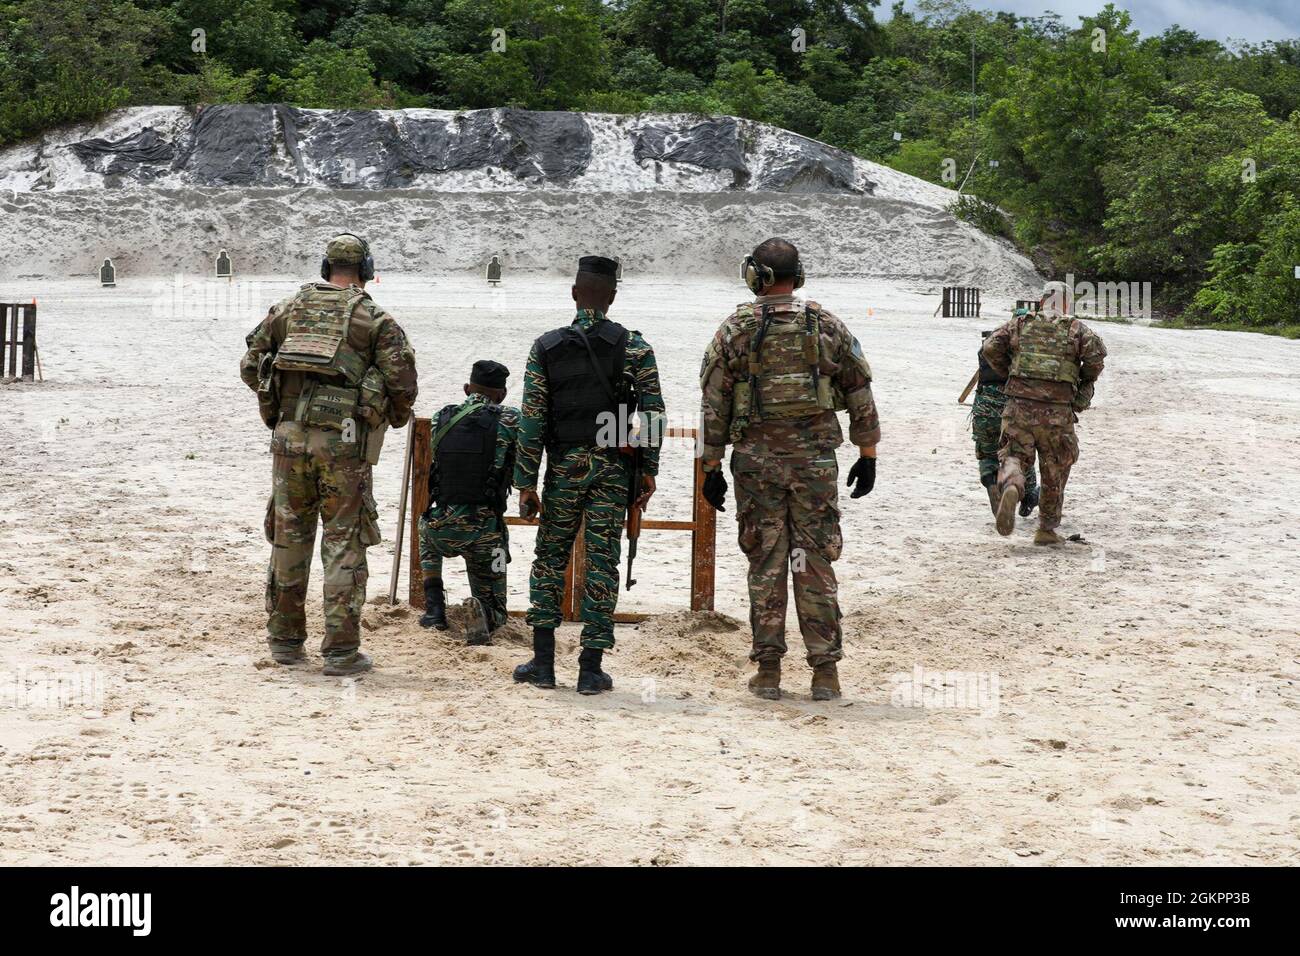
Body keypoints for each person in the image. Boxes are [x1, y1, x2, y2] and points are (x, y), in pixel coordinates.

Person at [698, 237, 880, 701]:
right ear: (797, 276)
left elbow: (714, 401)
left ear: (755, 277)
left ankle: (770, 671)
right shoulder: (827, 325)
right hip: (815, 463)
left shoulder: (735, 329)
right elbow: (859, 388)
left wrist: (711, 464)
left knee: (767, 560)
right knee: (814, 560)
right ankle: (825, 673)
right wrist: (868, 453)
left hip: (757, 465)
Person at [240, 233, 417, 674]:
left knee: (289, 539)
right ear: (366, 269)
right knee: (344, 542)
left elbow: (250, 365)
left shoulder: (286, 310)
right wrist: (383, 415)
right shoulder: (373, 318)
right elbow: (403, 384)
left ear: (325, 267)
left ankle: (284, 643)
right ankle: (340, 652)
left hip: (288, 441)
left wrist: (283, 408)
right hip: (343, 443)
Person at [511, 255, 665, 695]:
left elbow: (532, 421)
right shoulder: (635, 348)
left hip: (563, 469)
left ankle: (542, 664)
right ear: (613, 297)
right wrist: (649, 471)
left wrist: (526, 482)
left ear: (575, 294)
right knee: (603, 563)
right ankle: (590, 669)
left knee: (549, 560)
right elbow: (653, 415)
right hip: (613, 471)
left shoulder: (545, 347)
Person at [982, 281, 1107, 544]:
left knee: (1014, 455)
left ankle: (1013, 486)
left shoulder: (1020, 324)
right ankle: (1046, 529)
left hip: (1018, 406)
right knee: (1055, 468)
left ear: (1042, 302)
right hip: (1057, 412)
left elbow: (990, 347)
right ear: (1066, 304)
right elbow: (1096, 359)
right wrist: (1081, 381)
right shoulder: (1076, 328)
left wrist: (1010, 373)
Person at [417, 360, 519, 643]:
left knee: (423, 527)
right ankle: (487, 615)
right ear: (502, 394)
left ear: (466, 389)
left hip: (441, 527)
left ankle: (435, 610)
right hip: (486, 531)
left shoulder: (442, 417)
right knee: (497, 603)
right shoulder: (510, 419)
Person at [972, 324, 1038, 516]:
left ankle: (992, 484)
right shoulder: (1025, 356)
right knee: (1019, 455)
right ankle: (1027, 495)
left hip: (984, 409)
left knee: (987, 454)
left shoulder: (986, 350)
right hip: (1012, 410)